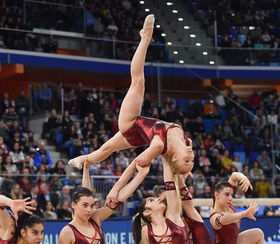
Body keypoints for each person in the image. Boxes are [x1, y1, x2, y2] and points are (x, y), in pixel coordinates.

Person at [68, 14, 194, 187]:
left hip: (131, 124)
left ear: (175, 157)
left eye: (187, 161)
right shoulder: (188, 143)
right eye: (191, 162)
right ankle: (84, 160)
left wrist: (153, 161)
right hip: (139, 136)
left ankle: (145, 38)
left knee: (138, 83)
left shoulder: (159, 146)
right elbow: (183, 158)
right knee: (106, 148)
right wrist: (184, 171)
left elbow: (139, 161)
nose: (192, 158)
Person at [131, 155, 254, 244]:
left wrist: (168, 160)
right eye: (155, 199)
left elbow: (173, 187)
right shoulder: (151, 229)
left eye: (162, 199)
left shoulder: (176, 216)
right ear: (147, 212)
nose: (159, 200)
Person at [210, 172, 267, 244]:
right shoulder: (214, 216)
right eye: (227, 195)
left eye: (231, 194)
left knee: (257, 233)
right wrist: (243, 214)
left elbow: (233, 176)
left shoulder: (228, 203)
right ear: (216, 195)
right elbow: (223, 219)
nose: (231, 198)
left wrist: (243, 177)